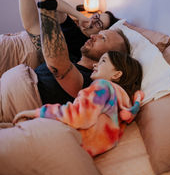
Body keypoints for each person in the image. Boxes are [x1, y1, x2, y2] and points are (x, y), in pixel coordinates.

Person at [0, 0, 131, 123]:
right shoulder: (76, 58)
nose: (93, 34)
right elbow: (38, 25)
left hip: (14, 99)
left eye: (102, 36)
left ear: (109, 57)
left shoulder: (89, 80)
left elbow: (57, 63)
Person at [13, 50, 144, 157]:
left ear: (117, 74)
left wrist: (36, 113)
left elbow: (78, 115)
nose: (95, 65)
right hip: (75, 153)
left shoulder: (102, 87)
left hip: (60, 141)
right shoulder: (121, 108)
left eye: (102, 61)